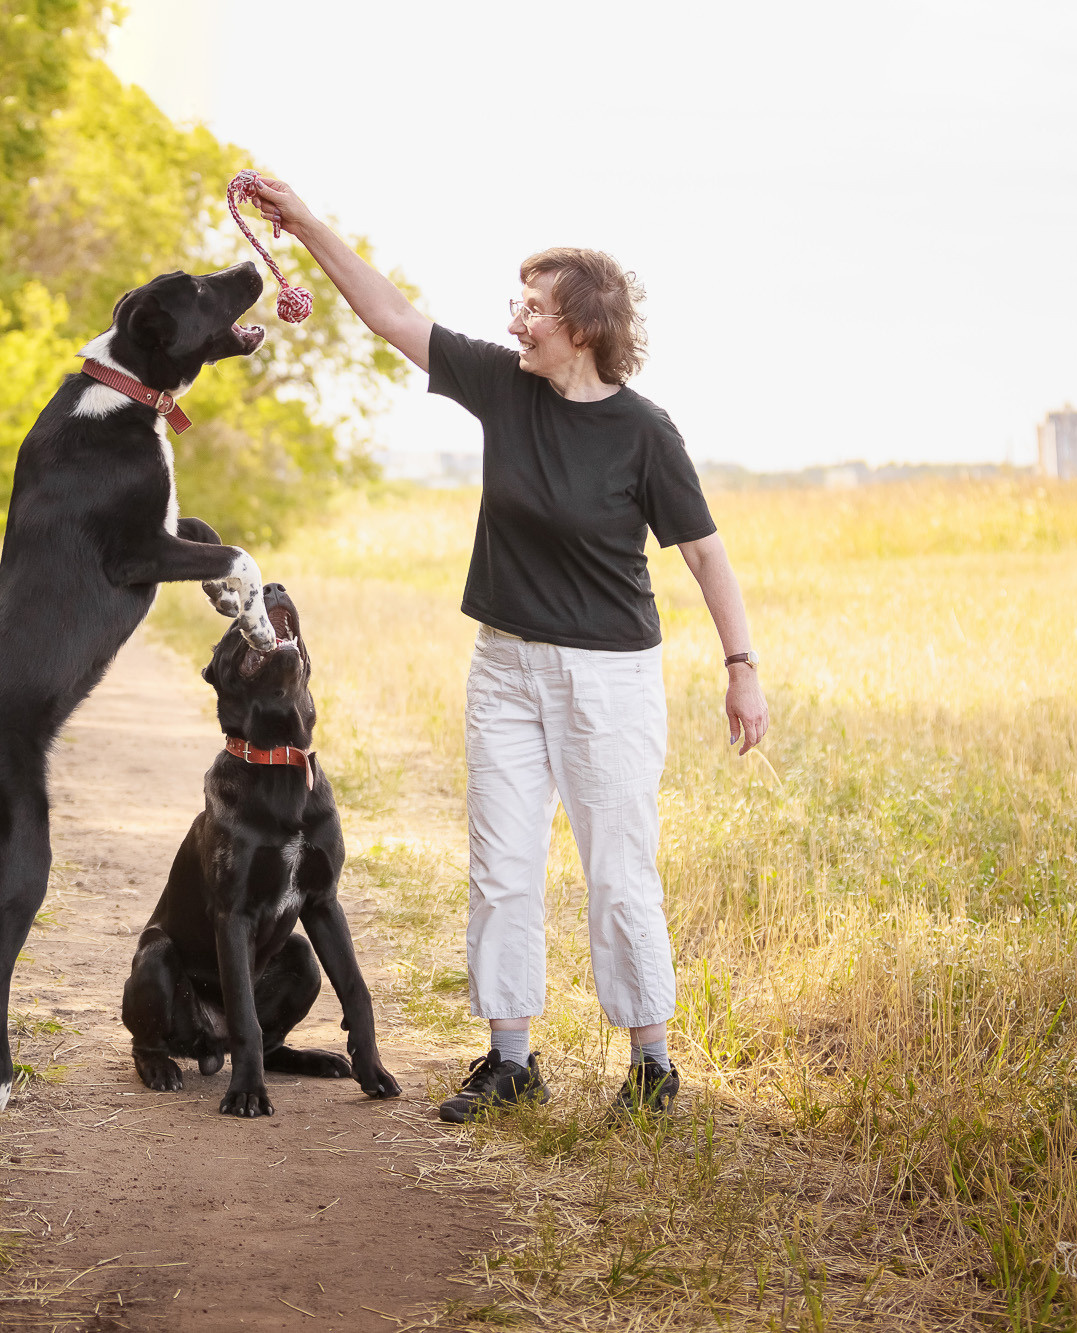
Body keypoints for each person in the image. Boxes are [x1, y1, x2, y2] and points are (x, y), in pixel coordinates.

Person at [246, 177, 770, 1123]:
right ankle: (510, 1059)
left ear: (583, 325)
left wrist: (742, 668)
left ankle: (651, 1061)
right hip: (504, 668)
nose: (515, 318)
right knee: (503, 866)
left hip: (607, 680)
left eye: (533, 307)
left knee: (617, 868)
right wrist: (308, 223)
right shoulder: (502, 385)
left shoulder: (644, 433)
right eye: (517, 303)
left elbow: (702, 551)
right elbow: (389, 314)